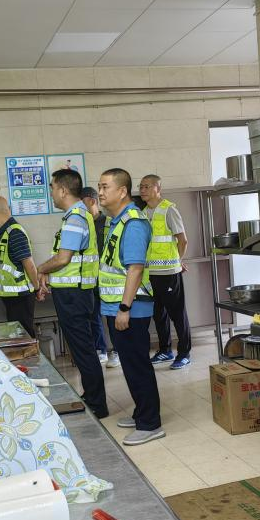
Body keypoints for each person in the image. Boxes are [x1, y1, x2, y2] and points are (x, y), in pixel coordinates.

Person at [98, 168, 163, 446]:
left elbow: (135, 269)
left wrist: (124, 308)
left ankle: (150, 424)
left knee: (137, 365)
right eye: (99, 187)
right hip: (118, 307)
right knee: (130, 364)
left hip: (130, 309)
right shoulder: (117, 221)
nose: (100, 192)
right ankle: (141, 413)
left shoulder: (133, 223)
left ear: (122, 191)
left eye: (105, 187)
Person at [36, 169, 108, 419]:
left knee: (83, 350)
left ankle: (97, 403)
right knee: (81, 349)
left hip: (74, 294)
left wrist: (41, 269)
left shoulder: (75, 218)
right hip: (75, 292)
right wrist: (48, 272)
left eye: (53, 188)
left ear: (63, 190)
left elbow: (63, 258)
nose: (52, 194)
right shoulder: (76, 216)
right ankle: (92, 396)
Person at [140, 174, 192, 369]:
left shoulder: (169, 210)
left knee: (177, 314)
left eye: (146, 186)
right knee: (158, 314)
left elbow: (183, 240)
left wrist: (178, 261)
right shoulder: (143, 213)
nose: (142, 190)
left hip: (169, 273)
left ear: (157, 188)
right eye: (141, 187)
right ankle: (165, 350)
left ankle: (184, 353)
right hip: (150, 274)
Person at [0, 194, 38, 337]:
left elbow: (29, 264)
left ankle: (31, 352)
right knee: (17, 336)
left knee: (24, 336)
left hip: (21, 297)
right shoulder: (6, 232)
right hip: (14, 297)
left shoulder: (14, 232)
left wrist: (37, 288)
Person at [81, 186, 119, 368]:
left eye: (82, 204)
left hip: (109, 280)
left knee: (112, 317)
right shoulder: (82, 224)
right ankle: (100, 350)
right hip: (91, 279)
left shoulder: (109, 223)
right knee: (93, 316)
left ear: (92, 201)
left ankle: (117, 351)